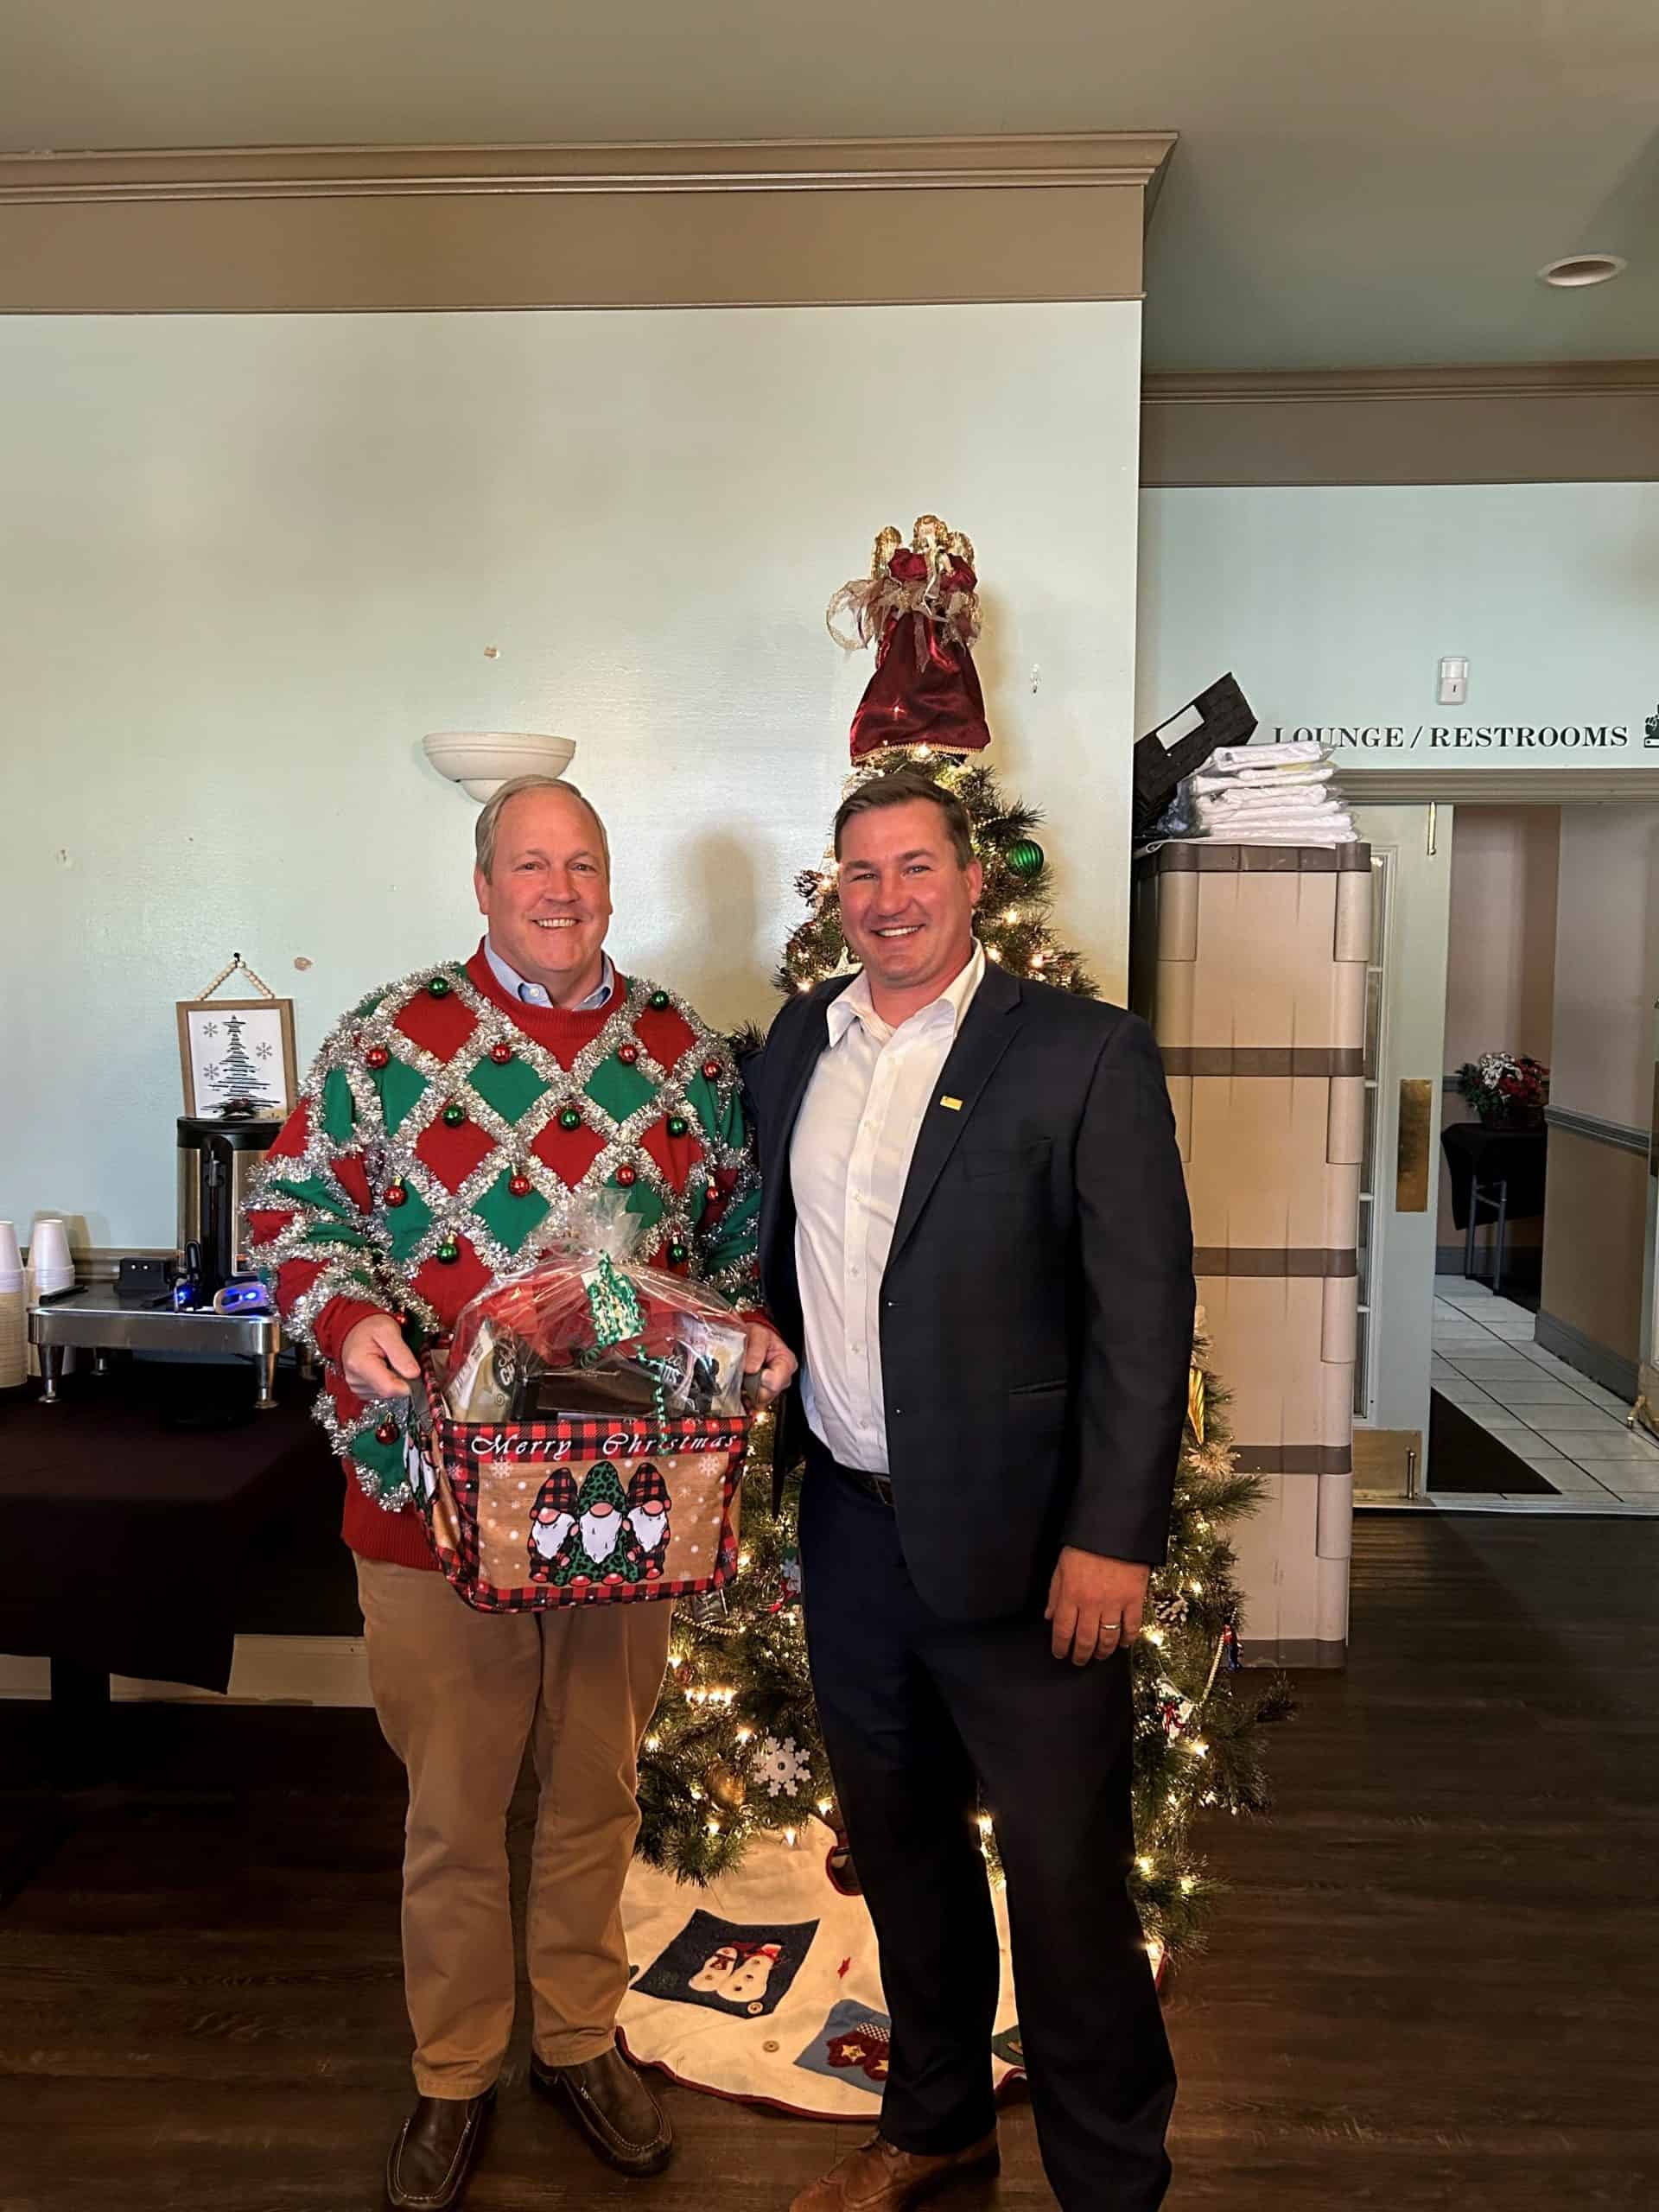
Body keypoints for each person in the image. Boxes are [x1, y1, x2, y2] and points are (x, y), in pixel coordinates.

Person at [245, 775, 794, 2212]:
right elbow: (294, 1206)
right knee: (456, 1802)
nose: (560, 889)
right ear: (482, 883)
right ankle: (452, 2070)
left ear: (611, 884)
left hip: (626, 1497)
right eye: (530, 864)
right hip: (432, 1499)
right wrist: (345, 1315)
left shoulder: (684, 1052)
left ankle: (576, 2037)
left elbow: (735, 1249)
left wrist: (735, 1344)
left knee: (596, 1790)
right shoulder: (385, 1038)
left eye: (585, 864)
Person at [744, 766, 1194, 2212]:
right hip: (851, 1529)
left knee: (1068, 1892)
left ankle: (1110, 2182)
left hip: (1028, 1556)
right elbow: (786, 1261)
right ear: (838, 895)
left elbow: (1144, 1313)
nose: (889, 900)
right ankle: (935, 2122)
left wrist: (1111, 1539)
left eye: (915, 868)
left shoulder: (1079, 1051)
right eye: (861, 876)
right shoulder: (798, 1044)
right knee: (903, 1857)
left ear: (972, 877)